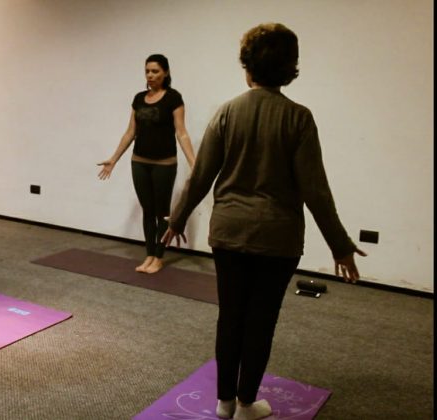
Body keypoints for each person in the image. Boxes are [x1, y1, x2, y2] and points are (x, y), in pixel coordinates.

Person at [162, 23, 366, 420]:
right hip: (277, 240)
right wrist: (340, 245)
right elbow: (315, 192)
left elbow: (199, 176)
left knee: (231, 316)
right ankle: (245, 404)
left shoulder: (228, 112)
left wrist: (178, 218)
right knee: (260, 322)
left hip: (229, 233)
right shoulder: (298, 119)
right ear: (290, 69)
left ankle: (223, 402)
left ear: (247, 67)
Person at [98, 54, 196, 274]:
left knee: (162, 212)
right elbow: (130, 132)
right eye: (147, 71)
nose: (150, 75)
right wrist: (113, 159)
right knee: (147, 211)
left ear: (166, 73)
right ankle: (149, 255)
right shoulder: (139, 98)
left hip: (164, 163)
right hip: (139, 162)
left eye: (155, 71)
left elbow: (182, 133)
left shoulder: (173, 98)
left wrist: (194, 163)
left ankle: (159, 258)